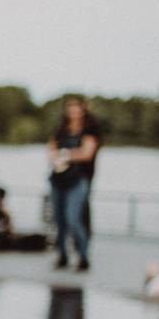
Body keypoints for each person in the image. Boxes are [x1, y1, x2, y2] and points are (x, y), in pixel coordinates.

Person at [47, 95, 101, 271]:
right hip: (58, 179)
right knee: (58, 219)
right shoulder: (61, 130)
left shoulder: (89, 130)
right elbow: (51, 150)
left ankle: (83, 256)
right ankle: (62, 255)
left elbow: (87, 153)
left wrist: (66, 155)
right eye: (70, 107)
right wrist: (62, 156)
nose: (73, 111)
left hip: (78, 180)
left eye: (76, 107)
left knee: (73, 218)